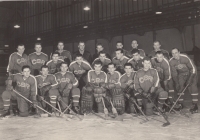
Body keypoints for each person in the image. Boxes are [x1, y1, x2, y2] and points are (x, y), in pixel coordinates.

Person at [169, 48, 198, 113]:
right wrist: (177, 83)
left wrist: (190, 79)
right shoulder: (171, 61)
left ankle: (195, 105)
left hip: (191, 73)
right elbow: (174, 73)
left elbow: (192, 68)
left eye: (176, 53)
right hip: (181, 74)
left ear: (179, 52)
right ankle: (180, 104)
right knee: (179, 88)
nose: (174, 55)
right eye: (173, 53)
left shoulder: (185, 57)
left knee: (193, 88)